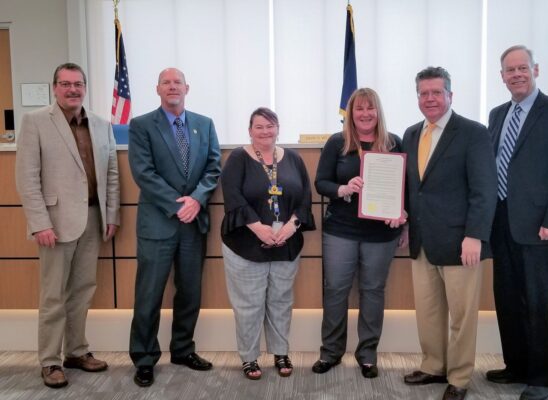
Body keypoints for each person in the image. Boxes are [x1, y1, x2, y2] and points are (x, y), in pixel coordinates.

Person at [486, 45, 548, 400]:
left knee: (540, 305)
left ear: (536, 69)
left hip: (541, 227)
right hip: (501, 223)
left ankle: (543, 380)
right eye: (509, 70)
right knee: (508, 300)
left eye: (522, 68)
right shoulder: (497, 115)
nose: (516, 75)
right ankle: (517, 367)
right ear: (502, 76)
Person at [15, 63, 120, 388]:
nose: (72, 89)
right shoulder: (35, 122)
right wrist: (39, 223)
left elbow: (112, 173)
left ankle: (76, 351)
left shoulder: (102, 125)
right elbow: (27, 178)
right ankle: (50, 361)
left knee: (83, 291)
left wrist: (111, 215)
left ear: (85, 87)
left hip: (93, 219)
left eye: (77, 84)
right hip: (55, 224)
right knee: (53, 296)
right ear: (55, 87)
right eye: (65, 84)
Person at [402, 67, 497, 400]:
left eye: (436, 92)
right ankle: (433, 365)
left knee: (461, 315)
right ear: (418, 98)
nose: (430, 99)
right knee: (427, 312)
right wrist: (403, 221)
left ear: (450, 95)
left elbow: (484, 190)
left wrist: (475, 235)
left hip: (461, 243)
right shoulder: (412, 134)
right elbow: (414, 189)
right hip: (422, 240)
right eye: (424, 93)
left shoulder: (473, 132)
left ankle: (458, 377)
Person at [128, 68, 221, 387]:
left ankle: (183, 349)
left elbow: (213, 168)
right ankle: (143, 358)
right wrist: (179, 204)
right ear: (157, 89)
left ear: (187, 88)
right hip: (158, 223)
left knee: (190, 292)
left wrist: (196, 199)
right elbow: (143, 173)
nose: (172, 87)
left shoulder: (204, 124)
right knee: (149, 294)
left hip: (194, 224)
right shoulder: (141, 125)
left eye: (177, 82)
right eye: (166, 82)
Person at [312, 88, 406, 379]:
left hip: (381, 234)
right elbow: (321, 183)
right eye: (359, 109)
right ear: (350, 113)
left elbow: (407, 187)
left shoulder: (394, 143)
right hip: (341, 230)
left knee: (373, 292)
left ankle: (367, 355)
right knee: (336, 290)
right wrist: (342, 189)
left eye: (370, 108)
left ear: (378, 112)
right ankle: (330, 352)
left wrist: (403, 216)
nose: (365, 114)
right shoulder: (337, 143)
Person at [220, 107, 315, 380]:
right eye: (259, 127)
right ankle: (249, 358)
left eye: (270, 126)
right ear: (250, 130)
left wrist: (292, 225)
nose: (265, 131)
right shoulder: (238, 158)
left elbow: (304, 197)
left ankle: (280, 352)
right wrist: (258, 227)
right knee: (249, 305)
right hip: (245, 242)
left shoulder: (294, 158)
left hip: (286, 240)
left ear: (278, 128)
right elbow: (233, 196)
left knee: (281, 301)